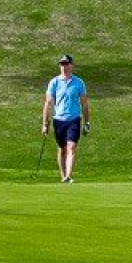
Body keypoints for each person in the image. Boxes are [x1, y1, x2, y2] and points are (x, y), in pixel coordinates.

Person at [41, 54, 89, 183]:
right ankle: (63, 176)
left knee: (71, 147)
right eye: (62, 64)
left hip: (74, 119)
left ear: (71, 65)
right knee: (62, 149)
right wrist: (45, 123)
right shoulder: (54, 82)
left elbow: (84, 103)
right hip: (59, 120)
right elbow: (48, 103)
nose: (64, 66)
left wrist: (87, 122)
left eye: (66, 64)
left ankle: (68, 176)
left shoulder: (78, 83)